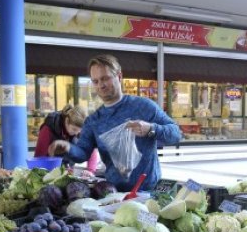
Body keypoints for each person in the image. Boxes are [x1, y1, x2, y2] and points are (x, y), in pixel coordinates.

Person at [51, 54, 181, 191]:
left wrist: (151, 129)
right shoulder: (93, 121)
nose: (101, 85)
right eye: (95, 81)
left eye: (105, 78)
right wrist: (68, 148)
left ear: (119, 76)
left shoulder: (144, 106)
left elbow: (176, 134)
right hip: (113, 194)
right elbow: (83, 153)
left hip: (149, 193)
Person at [33, 104, 99, 178]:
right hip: (48, 172)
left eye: (80, 131)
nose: (77, 133)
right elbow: (38, 157)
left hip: (67, 171)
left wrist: (90, 170)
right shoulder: (48, 128)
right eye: (74, 129)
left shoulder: (80, 132)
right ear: (67, 121)